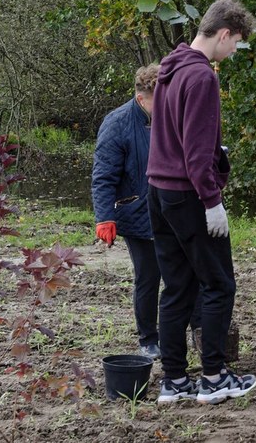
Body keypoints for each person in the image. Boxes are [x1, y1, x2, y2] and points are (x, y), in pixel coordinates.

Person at [147, 0, 256, 405]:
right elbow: (194, 154)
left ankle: (173, 381)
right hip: (189, 194)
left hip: (158, 191)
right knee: (218, 284)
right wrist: (212, 200)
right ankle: (213, 377)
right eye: (236, 44)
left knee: (177, 287)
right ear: (224, 33)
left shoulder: (169, 69)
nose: (234, 52)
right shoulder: (202, 78)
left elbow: (175, 138)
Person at [92, 64, 164, 360]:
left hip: (170, 208)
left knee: (184, 274)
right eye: (158, 101)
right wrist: (104, 217)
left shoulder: (171, 118)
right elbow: (104, 176)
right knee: (148, 276)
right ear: (141, 98)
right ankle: (148, 338)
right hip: (136, 211)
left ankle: (192, 329)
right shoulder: (117, 124)